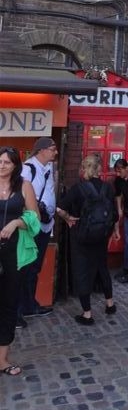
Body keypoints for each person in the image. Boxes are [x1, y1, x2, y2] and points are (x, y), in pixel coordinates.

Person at [56, 155, 119, 325]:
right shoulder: (108, 188)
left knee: (82, 272)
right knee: (102, 267)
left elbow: (59, 207)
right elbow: (114, 214)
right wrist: (114, 230)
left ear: (85, 168)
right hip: (101, 236)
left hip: (82, 236)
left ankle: (87, 314)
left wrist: (68, 217)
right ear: (99, 169)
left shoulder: (78, 189)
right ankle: (110, 304)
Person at [0, 146, 39, 375]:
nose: (2, 165)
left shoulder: (24, 186)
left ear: (15, 165)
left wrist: (16, 223)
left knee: (7, 304)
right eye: (0, 161)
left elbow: (35, 218)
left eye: (6, 162)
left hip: (14, 253)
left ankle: (2, 360)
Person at [19, 136, 57, 320]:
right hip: (32, 226)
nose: (55, 152)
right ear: (41, 150)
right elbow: (21, 197)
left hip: (45, 224)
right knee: (28, 267)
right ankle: (24, 307)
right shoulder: (28, 169)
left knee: (35, 267)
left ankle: (29, 304)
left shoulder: (48, 168)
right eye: (52, 148)